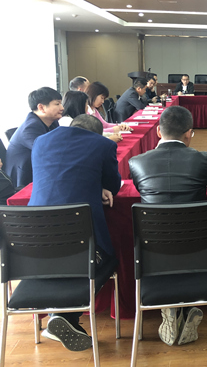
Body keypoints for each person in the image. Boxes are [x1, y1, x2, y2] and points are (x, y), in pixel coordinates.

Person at [129, 106, 207, 346]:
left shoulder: (136, 162)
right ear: (189, 134)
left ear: (158, 132)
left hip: (152, 254)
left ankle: (171, 309)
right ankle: (185, 309)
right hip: (199, 251)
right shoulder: (202, 159)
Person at [28, 114, 121, 351]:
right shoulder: (103, 144)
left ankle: (59, 316)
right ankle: (65, 315)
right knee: (105, 260)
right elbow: (114, 183)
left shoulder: (41, 141)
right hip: (76, 232)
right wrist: (101, 186)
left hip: (32, 235)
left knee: (65, 258)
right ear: (97, 134)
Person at [5, 87, 63, 188]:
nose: (62, 108)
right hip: (24, 179)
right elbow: (48, 152)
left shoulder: (52, 122)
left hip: (39, 170)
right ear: (41, 107)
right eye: (57, 104)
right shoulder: (31, 127)